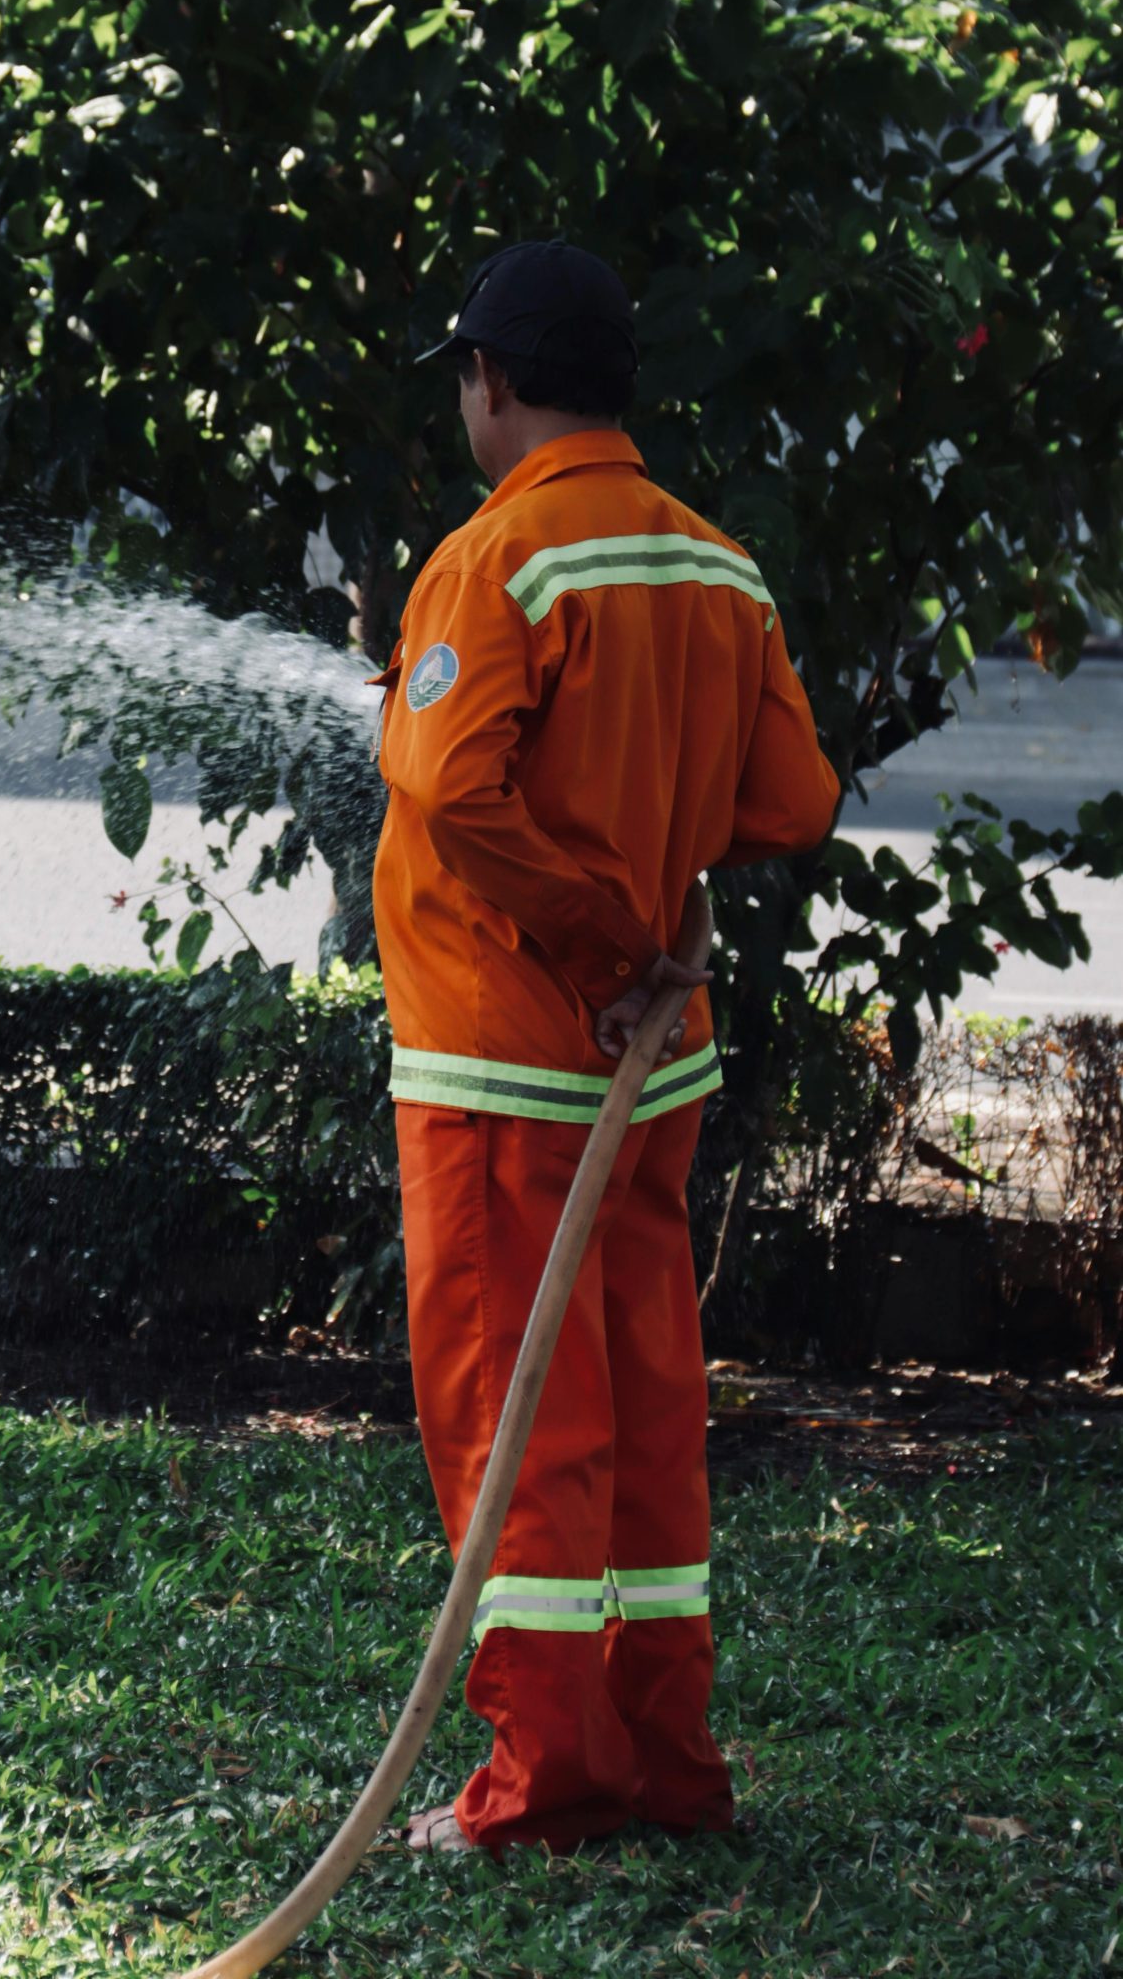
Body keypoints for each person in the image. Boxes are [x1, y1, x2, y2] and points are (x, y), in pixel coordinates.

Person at [369, 237, 840, 1857]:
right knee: (640, 1410)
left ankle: (545, 1786)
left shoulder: (494, 562)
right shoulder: (711, 566)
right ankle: (659, 1759)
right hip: (653, 1081)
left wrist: (596, 938)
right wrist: (653, 867)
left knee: (519, 1420)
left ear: (492, 382)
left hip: (510, 1060)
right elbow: (794, 805)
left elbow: (449, 794)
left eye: (461, 381)